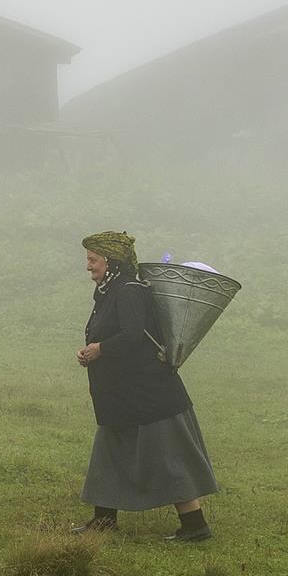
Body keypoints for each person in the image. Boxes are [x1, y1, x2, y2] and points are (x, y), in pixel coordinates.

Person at [73, 231, 217, 541]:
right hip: (122, 394)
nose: (88, 266)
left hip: (149, 395)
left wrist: (100, 349)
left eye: (93, 260)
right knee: (110, 450)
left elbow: (133, 335)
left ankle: (195, 525)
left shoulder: (128, 291)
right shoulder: (110, 290)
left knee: (167, 458)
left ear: (110, 262)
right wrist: (92, 351)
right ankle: (104, 519)